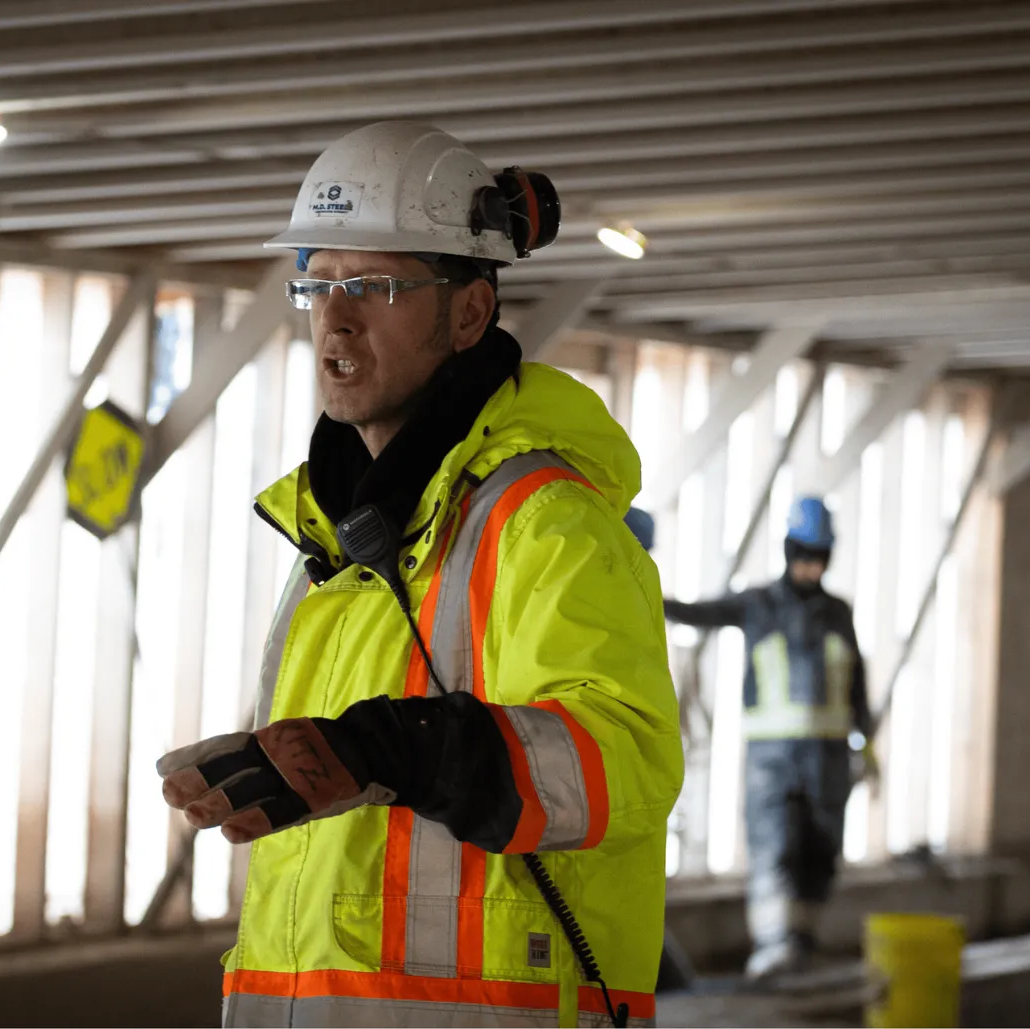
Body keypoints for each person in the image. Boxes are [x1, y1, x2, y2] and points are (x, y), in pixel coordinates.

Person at [156, 121, 683, 1028]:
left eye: (376, 286)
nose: (337, 319)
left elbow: (625, 761)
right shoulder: (337, 546)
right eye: (318, 286)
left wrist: (399, 751)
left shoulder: (546, 523)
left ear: (470, 312)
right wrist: (319, 766)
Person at [661, 496, 875, 979]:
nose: (810, 566)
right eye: (804, 554)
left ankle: (802, 944)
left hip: (829, 758)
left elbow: (857, 679)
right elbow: (698, 613)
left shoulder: (839, 613)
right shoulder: (757, 605)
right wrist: (645, 594)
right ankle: (773, 946)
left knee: (820, 852)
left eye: (819, 557)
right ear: (787, 550)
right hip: (771, 761)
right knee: (773, 848)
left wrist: (869, 741)